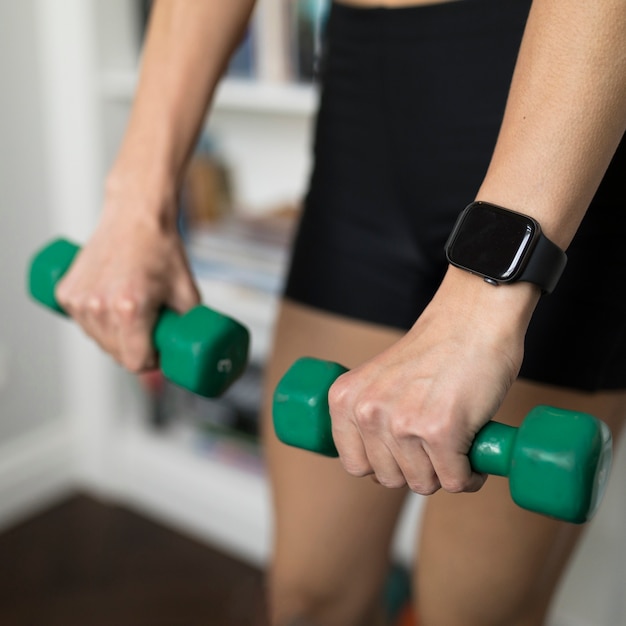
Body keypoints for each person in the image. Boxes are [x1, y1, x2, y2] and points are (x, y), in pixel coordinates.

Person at [55, 0, 626, 624]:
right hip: (367, 98)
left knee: (476, 613)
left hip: (565, 99)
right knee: (308, 597)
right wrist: (136, 203)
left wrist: (485, 298)